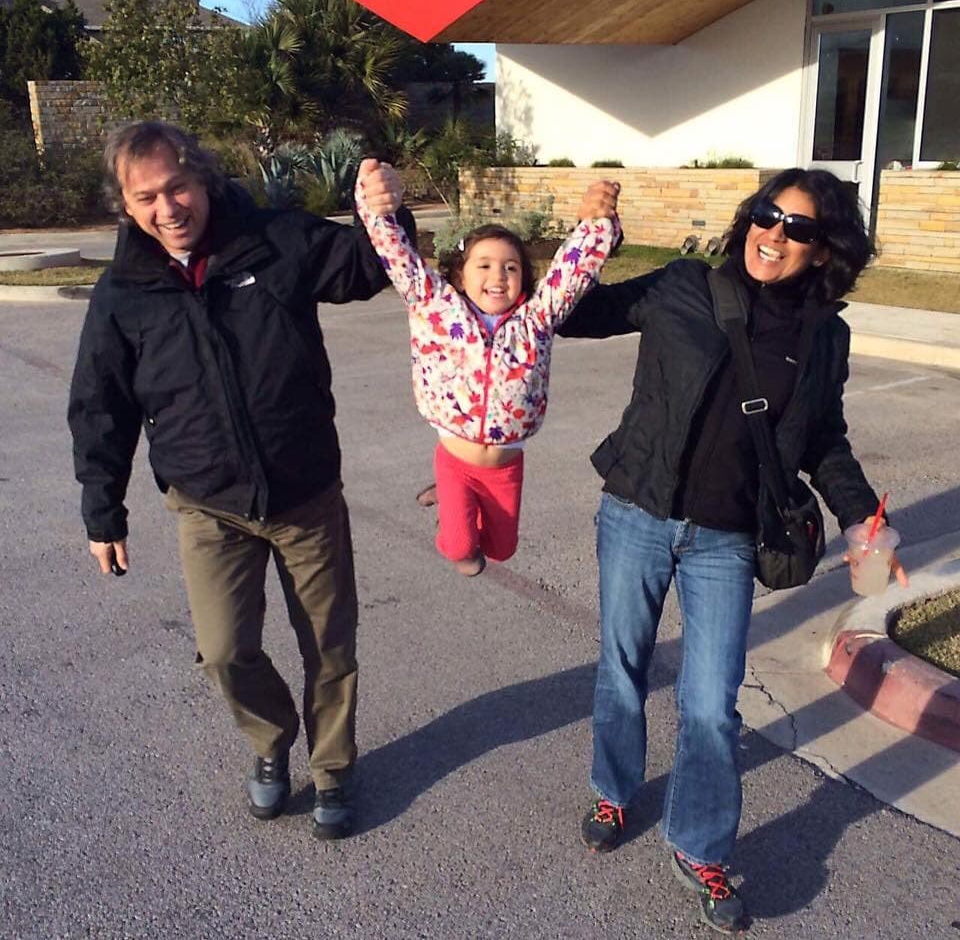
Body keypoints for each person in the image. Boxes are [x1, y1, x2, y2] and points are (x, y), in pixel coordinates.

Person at [557, 169, 908, 934]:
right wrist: (589, 234)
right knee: (622, 669)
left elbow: (824, 442)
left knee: (711, 705)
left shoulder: (824, 337)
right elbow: (572, 314)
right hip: (636, 511)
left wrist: (861, 520)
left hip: (727, 538)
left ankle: (698, 843)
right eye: (766, 214)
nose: (774, 234)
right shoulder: (683, 286)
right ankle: (615, 790)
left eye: (799, 228)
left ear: (825, 251)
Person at [67, 121, 411, 838]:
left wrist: (385, 212)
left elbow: (362, 267)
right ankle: (270, 740)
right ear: (126, 207)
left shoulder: (273, 239)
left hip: (304, 492)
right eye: (147, 197)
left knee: (329, 645)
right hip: (208, 505)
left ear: (204, 179)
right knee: (224, 651)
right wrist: (104, 514)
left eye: (178, 187)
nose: (169, 208)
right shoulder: (122, 292)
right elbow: (101, 407)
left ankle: (335, 767)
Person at [356, 164, 621, 576]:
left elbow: (573, 274)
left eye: (510, 267)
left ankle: (455, 503)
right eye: (484, 265)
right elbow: (397, 255)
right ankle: (451, 503)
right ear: (460, 275)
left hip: (505, 465)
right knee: (465, 554)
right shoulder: (435, 306)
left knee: (502, 550)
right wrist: (375, 206)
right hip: (455, 458)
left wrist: (597, 224)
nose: (498, 275)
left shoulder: (537, 318)